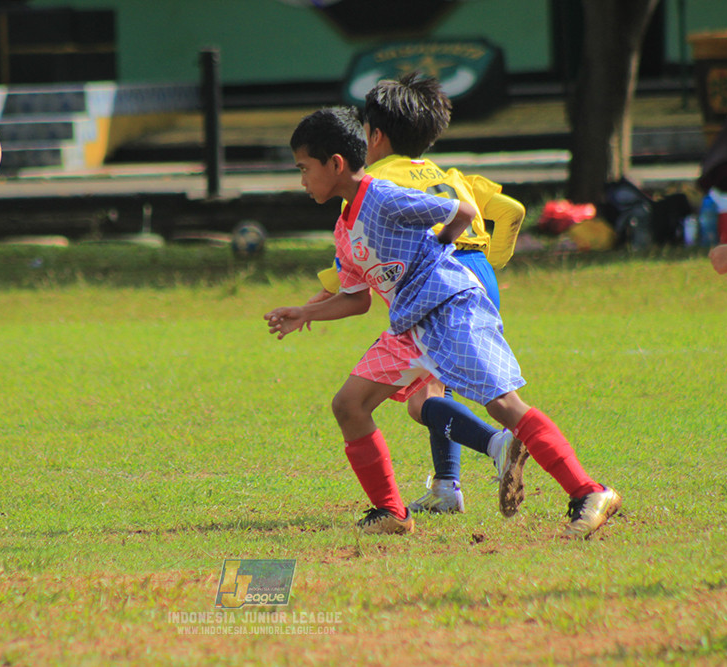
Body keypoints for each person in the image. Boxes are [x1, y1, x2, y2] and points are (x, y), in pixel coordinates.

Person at [265, 106, 621, 539]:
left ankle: (589, 492)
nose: (301, 180)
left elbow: (462, 211)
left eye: (304, 169)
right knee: (349, 405)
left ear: (335, 164)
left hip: (451, 307)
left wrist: (437, 253)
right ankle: (391, 512)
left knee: (503, 405)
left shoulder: (381, 196)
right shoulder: (344, 226)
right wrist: (305, 312)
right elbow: (356, 300)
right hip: (410, 326)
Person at [307, 73, 527, 516]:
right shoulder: (449, 175)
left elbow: (357, 253)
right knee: (433, 387)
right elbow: (510, 210)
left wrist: (318, 298)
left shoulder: (376, 180)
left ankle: (498, 444)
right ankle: (447, 486)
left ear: (374, 135)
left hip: (437, 282)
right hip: (478, 274)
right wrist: (491, 261)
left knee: (419, 401)